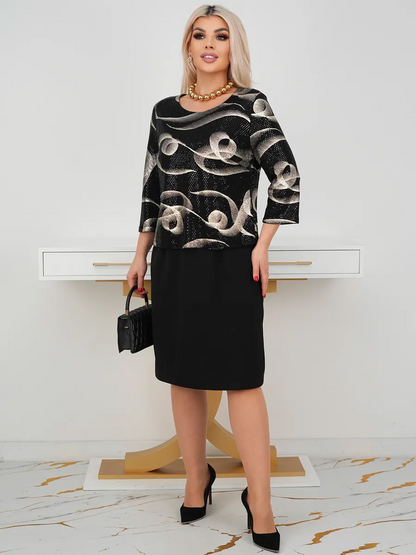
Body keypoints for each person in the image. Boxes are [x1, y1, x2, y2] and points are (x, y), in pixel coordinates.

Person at [127, 4, 300, 552]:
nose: (208, 44)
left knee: (242, 378)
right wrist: (140, 254)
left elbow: (286, 176)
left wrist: (263, 245)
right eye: (199, 35)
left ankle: (261, 501)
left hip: (234, 259)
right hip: (173, 260)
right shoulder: (163, 112)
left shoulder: (251, 104)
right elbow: (153, 188)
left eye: (220, 36)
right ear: (187, 46)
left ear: (233, 46)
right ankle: (195, 477)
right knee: (183, 373)